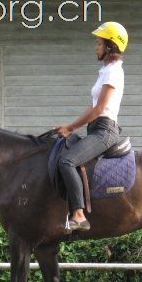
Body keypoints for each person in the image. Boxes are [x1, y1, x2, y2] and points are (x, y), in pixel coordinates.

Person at [56, 21, 128, 232]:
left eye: (98, 43)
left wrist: (71, 127)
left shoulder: (113, 72)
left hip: (105, 131)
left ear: (110, 46)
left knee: (67, 161)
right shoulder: (105, 71)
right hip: (95, 128)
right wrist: (68, 127)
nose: (95, 47)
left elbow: (99, 109)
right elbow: (93, 107)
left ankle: (78, 215)